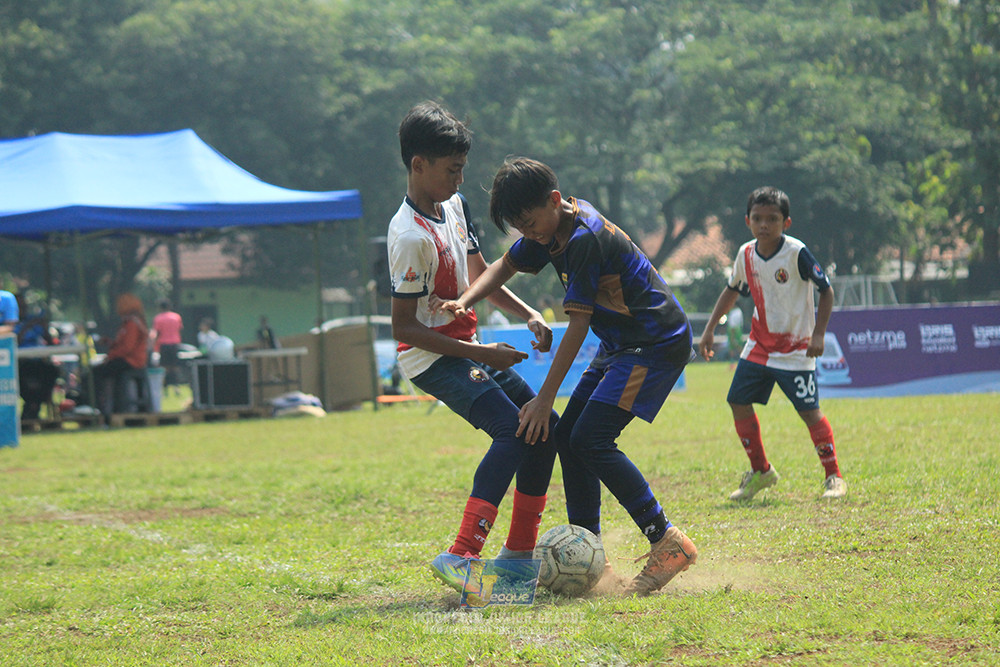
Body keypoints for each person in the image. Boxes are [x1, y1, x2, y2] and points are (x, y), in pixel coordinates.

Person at [444, 157, 698, 596]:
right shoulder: (549, 228)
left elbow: (577, 327)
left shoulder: (582, 239)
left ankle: (667, 540)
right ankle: (589, 556)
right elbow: (503, 266)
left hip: (654, 344)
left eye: (530, 223)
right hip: (620, 344)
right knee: (569, 438)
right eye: (520, 228)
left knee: (590, 439)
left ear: (555, 200)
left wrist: (544, 399)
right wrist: (465, 299)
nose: (529, 234)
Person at [387, 102, 558, 592]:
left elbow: (482, 277)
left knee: (543, 427)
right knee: (512, 431)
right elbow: (405, 328)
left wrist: (526, 313)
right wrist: (485, 354)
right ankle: (461, 555)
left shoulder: (454, 207)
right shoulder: (408, 237)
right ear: (419, 165)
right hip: (430, 358)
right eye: (452, 170)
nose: (461, 181)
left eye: (463, 168)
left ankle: (518, 556)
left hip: (467, 348)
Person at [698, 186, 846, 501]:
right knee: (737, 401)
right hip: (760, 346)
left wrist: (818, 333)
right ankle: (761, 471)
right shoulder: (745, 254)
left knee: (810, 413)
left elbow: (827, 290)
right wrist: (710, 328)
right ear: (748, 221)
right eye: (758, 218)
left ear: (786, 223)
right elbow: (732, 290)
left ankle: (834, 476)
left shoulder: (797, 253)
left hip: (796, 351)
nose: (764, 224)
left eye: (773, 219)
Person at [93, 293, 149, 422]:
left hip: (132, 361)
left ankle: (99, 408)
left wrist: (111, 356)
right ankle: (114, 407)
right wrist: (110, 343)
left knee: (96, 372)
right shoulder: (127, 323)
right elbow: (123, 344)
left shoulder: (132, 324)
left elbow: (127, 348)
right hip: (127, 359)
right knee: (112, 373)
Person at [14, 294, 59, 421]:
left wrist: (44, 328)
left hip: (37, 361)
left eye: (24, 306)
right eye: (19, 307)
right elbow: (15, 341)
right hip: (20, 363)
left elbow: (50, 342)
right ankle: (32, 408)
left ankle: (33, 407)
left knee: (51, 371)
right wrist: (27, 326)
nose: (22, 309)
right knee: (27, 378)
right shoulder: (7, 323)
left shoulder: (33, 320)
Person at [151, 299, 184, 395]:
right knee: (175, 367)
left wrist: (154, 346)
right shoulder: (176, 317)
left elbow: (156, 333)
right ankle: (177, 387)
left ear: (160, 308)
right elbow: (180, 329)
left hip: (164, 345)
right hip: (175, 344)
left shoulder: (158, 318)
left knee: (164, 368)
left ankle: (164, 389)